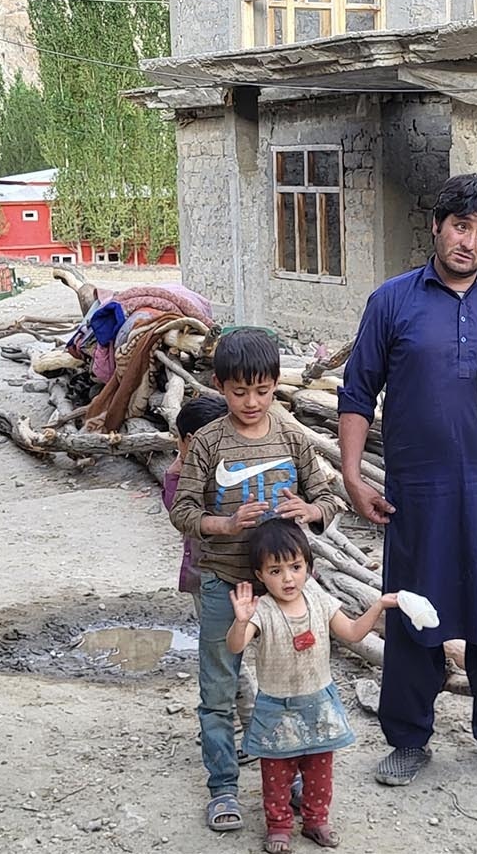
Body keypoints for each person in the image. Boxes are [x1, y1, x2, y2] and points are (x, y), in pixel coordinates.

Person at [338, 174, 477, 787]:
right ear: (436, 225)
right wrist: (350, 473)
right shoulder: (392, 301)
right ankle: (408, 739)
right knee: (414, 612)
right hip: (417, 493)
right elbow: (357, 391)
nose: (468, 242)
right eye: (460, 226)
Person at [169, 328, 349, 832]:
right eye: (238, 391)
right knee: (218, 690)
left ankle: (293, 777)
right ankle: (224, 787)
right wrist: (224, 525)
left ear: (275, 386)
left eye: (263, 390)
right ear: (219, 386)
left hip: (288, 592)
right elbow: (182, 510)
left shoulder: (292, 437)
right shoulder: (207, 441)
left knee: (294, 687)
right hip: (225, 582)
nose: (251, 402)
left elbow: (329, 499)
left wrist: (310, 508)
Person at [227, 520, 400, 854]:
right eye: (275, 571)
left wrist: (377, 607)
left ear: (308, 566)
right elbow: (235, 647)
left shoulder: (318, 598)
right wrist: (241, 619)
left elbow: (350, 633)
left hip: (319, 704)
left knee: (320, 772)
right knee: (276, 776)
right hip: (276, 708)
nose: (288, 578)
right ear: (260, 575)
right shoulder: (262, 610)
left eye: (295, 567)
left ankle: (315, 821)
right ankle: (279, 826)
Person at [163, 395, 256, 735]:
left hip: (228, 577)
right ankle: (243, 727)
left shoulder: (210, 472)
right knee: (228, 656)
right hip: (222, 579)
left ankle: (244, 727)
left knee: (228, 656)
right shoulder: (189, 478)